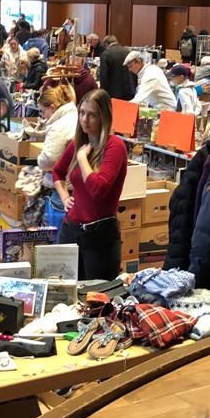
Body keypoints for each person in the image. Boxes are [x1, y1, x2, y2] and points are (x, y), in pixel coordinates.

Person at [52, 89, 128, 280]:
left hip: (99, 235)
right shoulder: (79, 142)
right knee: (65, 289)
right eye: (82, 113)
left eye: (92, 115)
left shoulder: (115, 147)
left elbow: (98, 189)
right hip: (70, 229)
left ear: (104, 117)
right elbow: (57, 172)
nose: (84, 120)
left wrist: (82, 159)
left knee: (97, 293)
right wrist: (64, 197)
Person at [37, 84, 78, 188]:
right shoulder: (75, 115)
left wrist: (39, 158)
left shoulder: (58, 127)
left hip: (65, 183)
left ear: (52, 108)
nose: (43, 116)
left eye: (43, 111)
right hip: (76, 179)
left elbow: (49, 161)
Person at [98, 35, 137, 101]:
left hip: (114, 93)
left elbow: (104, 76)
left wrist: (103, 94)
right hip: (130, 90)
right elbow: (135, 71)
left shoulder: (105, 54)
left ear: (106, 44)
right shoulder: (128, 51)